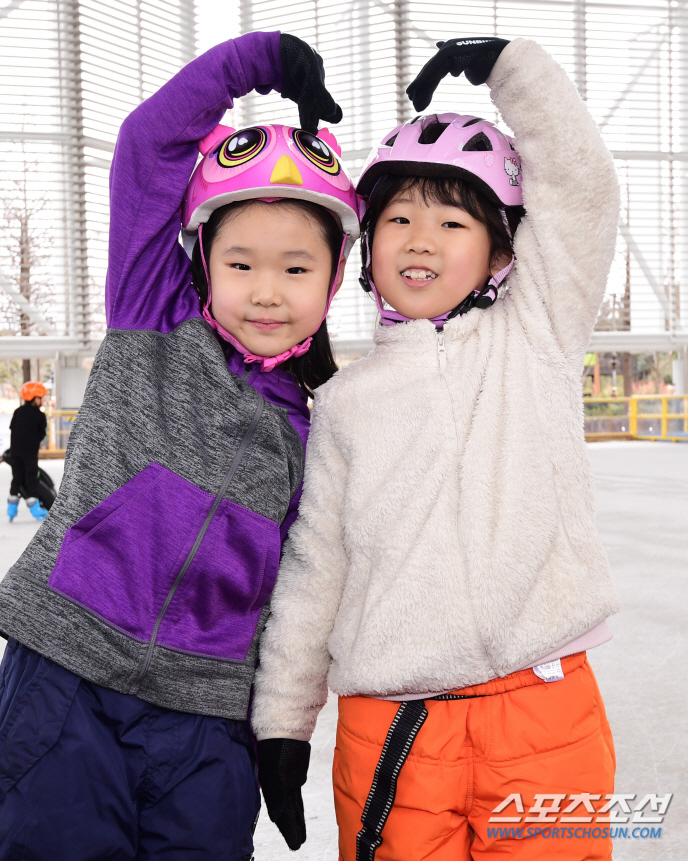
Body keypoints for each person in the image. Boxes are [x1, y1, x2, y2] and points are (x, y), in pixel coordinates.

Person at [252, 37, 620, 861]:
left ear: (500, 253)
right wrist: (283, 719)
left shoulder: (538, 335)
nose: (421, 238)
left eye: (452, 221)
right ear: (366, 252)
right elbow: (316, 572)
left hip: (542, 710)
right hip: (394, 729)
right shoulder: (345, 404)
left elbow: (585, 191)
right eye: (399, 220)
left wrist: (510, 71)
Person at [0, 31, 359, 860]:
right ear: (202, 259)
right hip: (67, 678)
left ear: (333, 279)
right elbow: (147, 145)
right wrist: (257, 62)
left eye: (297, 270)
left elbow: (303, 594)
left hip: (204, 722)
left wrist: (280, 729)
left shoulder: (315, 428)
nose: (267, 291)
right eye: (242, 263)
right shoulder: (150, 313)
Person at [7, 381, 49, 522]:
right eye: (41, 397)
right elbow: (41, 434)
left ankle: (11, 509)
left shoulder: (17, 412)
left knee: (17, 478)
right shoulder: (40, 416)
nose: (43, 400)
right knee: (31, 478)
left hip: (15, 453)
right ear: (34, 398)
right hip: (30, 454)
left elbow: (13, 429)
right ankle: (36, 509)